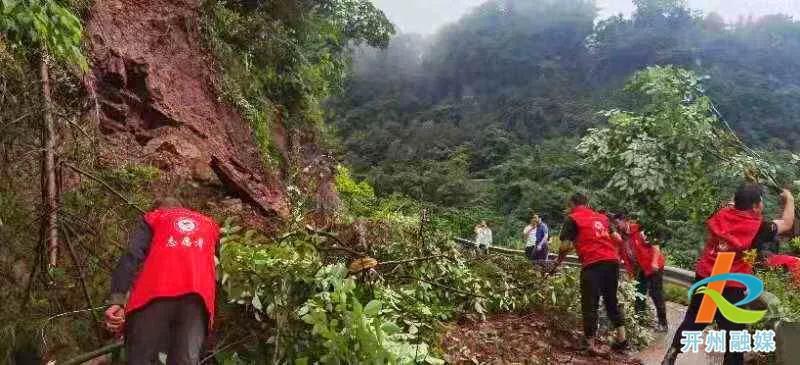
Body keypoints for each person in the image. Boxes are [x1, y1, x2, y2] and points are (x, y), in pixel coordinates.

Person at [662, 185, 794, 365]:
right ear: (755, 206)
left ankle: (673, 353)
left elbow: (733, 204)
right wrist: (789, 199)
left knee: (695, 320)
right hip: (731, 283)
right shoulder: (758, 228)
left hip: (708, 276)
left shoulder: (722, 214)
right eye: (760, 202)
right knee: (734, 333)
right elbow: (787, 223)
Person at [105, 197, 221, 364]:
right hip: (198, 301)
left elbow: (131, 255)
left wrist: (117, 300)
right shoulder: (209, 225)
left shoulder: (155, 218)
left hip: (155, 294)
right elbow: (213, 269)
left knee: (140, 357)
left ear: (157, 210)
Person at [558, 193, 628, 353]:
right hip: (612, 262)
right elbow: (617, 239)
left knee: (590, 303)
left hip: (592, 263)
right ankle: (622, 339)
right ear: (587, 203)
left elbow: (565, 246)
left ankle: (590, 344)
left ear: (572, 203)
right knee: (611, 300)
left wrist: (560, 258)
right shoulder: (602, 218)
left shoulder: (573, 218)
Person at [613, 213, 668, 332]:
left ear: (625, 221)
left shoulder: (639, 231)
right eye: (615, 224)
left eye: (618, 223)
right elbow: (620, 255)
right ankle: (640, 320)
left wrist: (654, 262)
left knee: (656, 293)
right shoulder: (621, 238)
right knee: (638, 293)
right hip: (640, 268)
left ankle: (663, 323)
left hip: (654, 266)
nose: (616, 226)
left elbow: (655, 245)